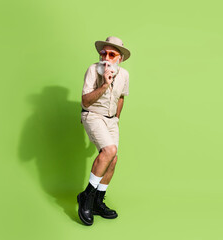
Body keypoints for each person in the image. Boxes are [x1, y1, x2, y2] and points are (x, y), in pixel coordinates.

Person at [77, 36, 131, 226]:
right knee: (109, 151)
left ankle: (98, 202)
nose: (106, 58)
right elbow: (85, 101)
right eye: (103, 53)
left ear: (120, 58)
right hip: (92, 115)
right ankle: (86, 198)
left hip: (111, 120)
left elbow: (122, 98)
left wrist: (116, 119)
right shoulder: (93, 70)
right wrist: (105, 84)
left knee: (113, 159)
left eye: (111, 54)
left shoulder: (124, 75)